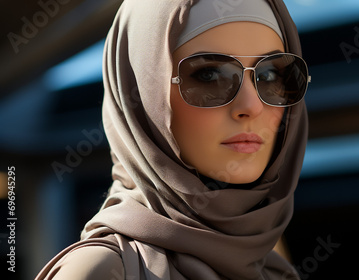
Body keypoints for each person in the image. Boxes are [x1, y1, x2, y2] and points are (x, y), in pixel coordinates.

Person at [36, 0, 310, 279]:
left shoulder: (274, 268)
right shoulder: (103, 270)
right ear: (142, 95)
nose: (252, 106)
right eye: (209, 74)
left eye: (268, 74)